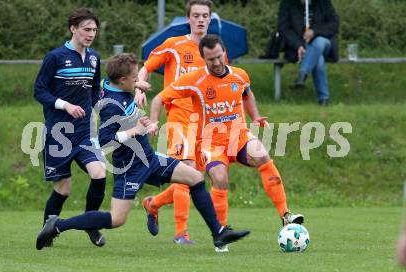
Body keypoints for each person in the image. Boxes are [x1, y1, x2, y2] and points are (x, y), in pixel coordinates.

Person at [35, 53, 250, 251]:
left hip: (149, 158)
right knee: (116, 219)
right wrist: (134, 130)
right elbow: (105, 142)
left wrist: (138, 88)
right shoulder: (113, 105)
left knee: (195, 177)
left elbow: (110, 84)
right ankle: (57, 225)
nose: (138, 79)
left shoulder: (109, 85)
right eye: (134, 77)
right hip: (130, 167)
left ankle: (218, 233)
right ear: (121, 81)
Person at [149, 34, 304, 252]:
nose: (217, 62)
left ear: (225, 53)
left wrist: (256, 116)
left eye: (219, 57)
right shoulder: (195, 80)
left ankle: (285, 215)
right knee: (220, 178)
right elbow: (159, 98)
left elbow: (247, 95)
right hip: (210, 143)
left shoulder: (239, 76)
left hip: (238, 137)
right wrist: (154, 121)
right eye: (211, 59)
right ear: (203, 58)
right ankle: (221, 233)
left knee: (262, 154)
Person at [136, 0, 213, 245]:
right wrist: (139, 87)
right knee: (187, 171)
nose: (200, 19)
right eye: (196, 15)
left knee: (195, 178)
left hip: (205, 121)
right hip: (178, 116)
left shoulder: (214, 49)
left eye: (205, 16)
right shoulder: (174, 44)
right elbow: (146, 67)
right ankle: (181, 233)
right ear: (188, 19)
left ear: (210, 19)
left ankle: (153, 203)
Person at [34, 8, 107, 248]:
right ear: (73, 29)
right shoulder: (55, 57)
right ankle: (47, 231)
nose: (91, 34)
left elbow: (95, 89)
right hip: (59, 133)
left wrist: (99, 109)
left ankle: (90, 224)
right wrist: (65, 105)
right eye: (87, 29)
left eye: (94, 30)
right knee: (63, 189)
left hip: (85, 131)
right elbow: (39, 90)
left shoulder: (94, 58)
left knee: (99, 173)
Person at [278, 0, 339, 105]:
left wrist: (314, 32)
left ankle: (303, 74)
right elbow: (284, 29)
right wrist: (298, 45)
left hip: (324, 43)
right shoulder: (287, 3)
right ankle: (324, 99)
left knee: (319, 43)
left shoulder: (323, 3)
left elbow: (334, 25)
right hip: (299, 48)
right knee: (318, 58)